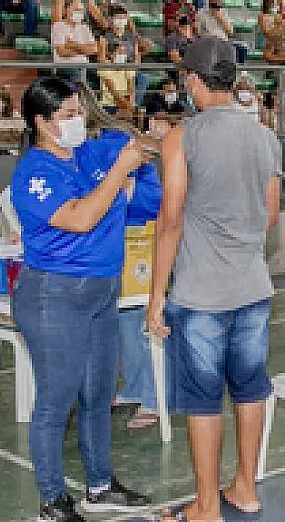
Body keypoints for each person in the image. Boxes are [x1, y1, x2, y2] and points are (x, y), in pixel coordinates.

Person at [145, 37, 282, 521]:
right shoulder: (264, 136)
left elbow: (170, 220)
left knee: (203, 399)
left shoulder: (182, 137)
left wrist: (155, 296)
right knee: (250, 388)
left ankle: (206, 507)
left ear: (194, 81)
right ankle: (245, 488)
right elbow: (270, 215)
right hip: (253, 287)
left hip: (201, 292)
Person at [10, 77, 152, 521]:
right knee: (56, 401)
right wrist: (119, 174)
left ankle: (100, 485)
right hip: (54, 294)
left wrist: (147, 148)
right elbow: (80, 218)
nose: (78, 121)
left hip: (101, 292)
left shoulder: (86, 156)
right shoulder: (33, 173)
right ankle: (53, 500)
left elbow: (139, 164)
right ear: (42, 123)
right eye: (68, 115)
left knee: (97, 394)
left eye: (80, 112)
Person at [77, 89, 163, 430]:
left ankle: (154, 398)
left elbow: (151, 195)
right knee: (123, 322)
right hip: (101, 242)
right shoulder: (66, 150)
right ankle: (134, 387)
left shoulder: (118, 142)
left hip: (136, 238)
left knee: (142, 321)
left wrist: (122, 195)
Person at [50, 0, 96, 83]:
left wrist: (74, 45)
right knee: (76, 76)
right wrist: (84, 50)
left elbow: (93, 50)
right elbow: (62, 52)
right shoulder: (58, 26)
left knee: (101, 73)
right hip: (66, 67)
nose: (79, 13)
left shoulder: (84, 27)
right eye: (76, 10)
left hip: (84, 66)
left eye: (81, 10)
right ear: (66, 10)